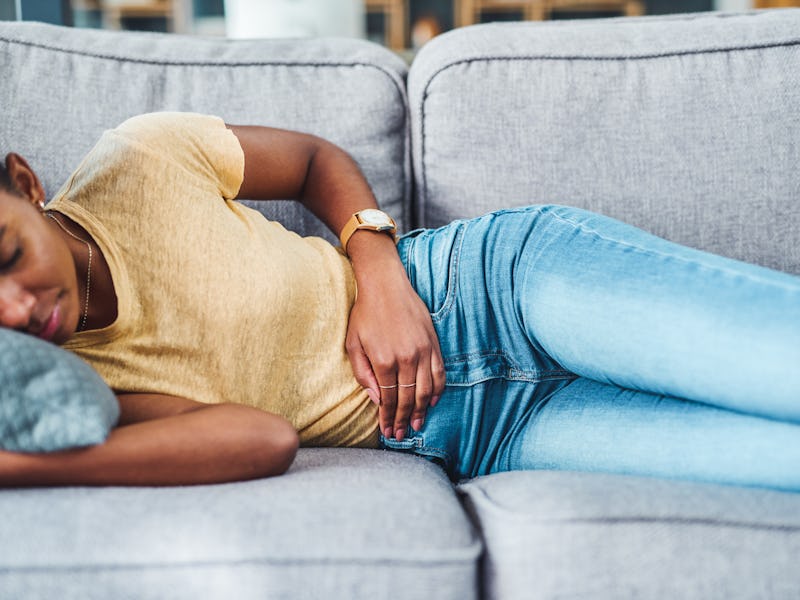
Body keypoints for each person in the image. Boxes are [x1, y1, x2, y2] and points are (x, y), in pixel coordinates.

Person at [0, 112, 798, 489]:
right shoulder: (66, 389)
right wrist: (21, 465)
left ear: (28, 186)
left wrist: (380, 279)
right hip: (489, 436)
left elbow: (315, 158)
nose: (15, 309)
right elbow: (264, 436)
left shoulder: (139, 158)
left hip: (492, 286)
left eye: (8, 256)